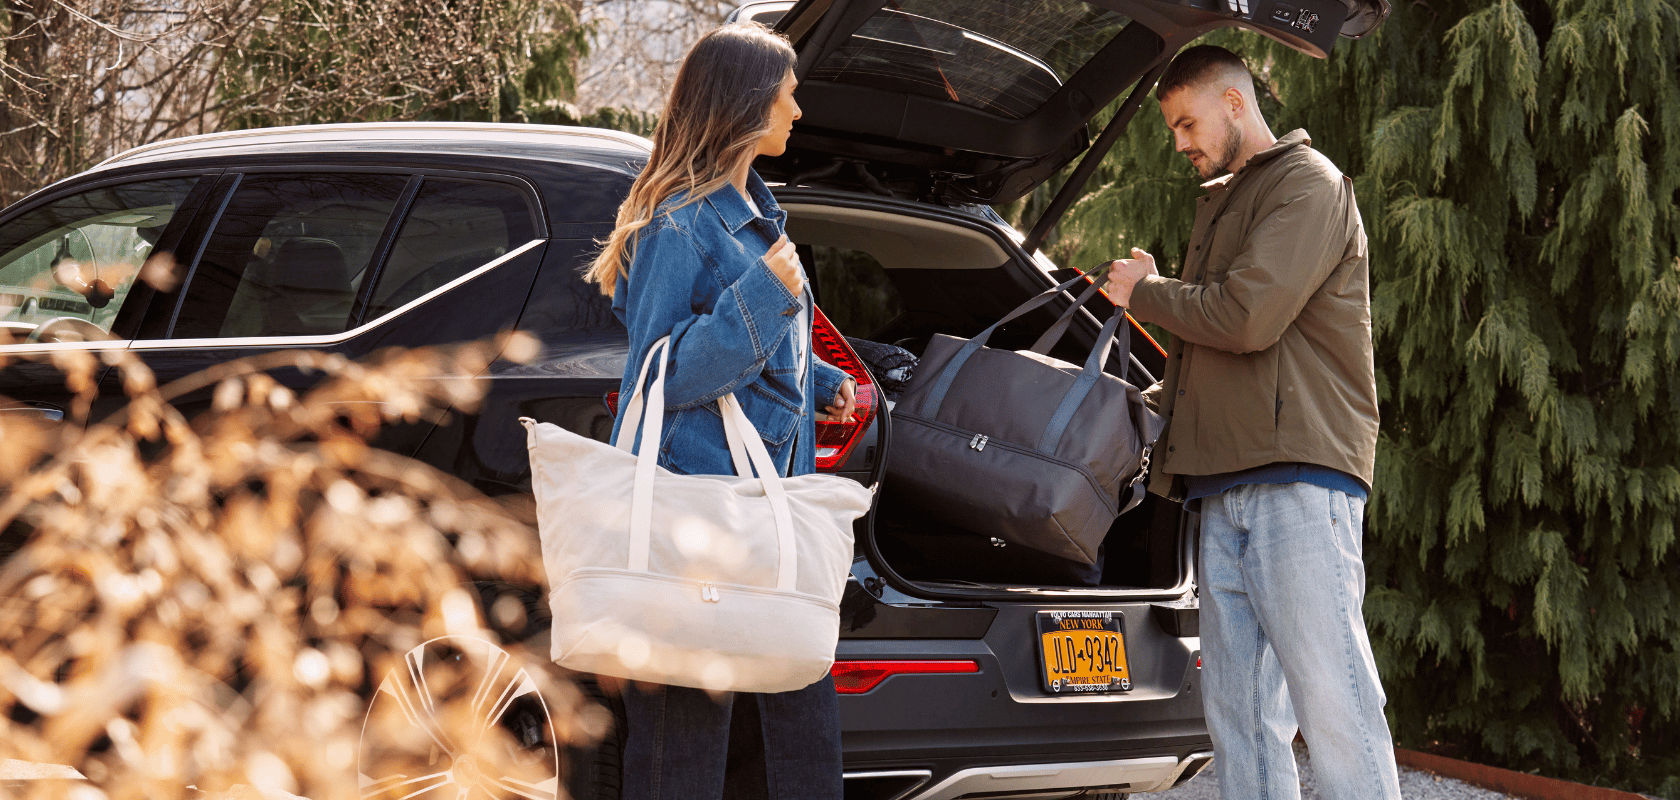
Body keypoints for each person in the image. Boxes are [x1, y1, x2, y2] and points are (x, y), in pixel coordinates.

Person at [1103, 45, 1401, 799]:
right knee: (1240, 724)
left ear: (1235, 103)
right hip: (1222, 487)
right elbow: (1208, 360)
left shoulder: (1310, 185)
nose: (1179, 142)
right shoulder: (1228, 199)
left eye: (1186, 122)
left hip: (1298, 483)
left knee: (1335, 709)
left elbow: (1245, 317)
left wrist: (1147, 292)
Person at [581, 21, 857, 800]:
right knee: (684, 745)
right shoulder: (680, 220)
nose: (798, 112)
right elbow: (663, 373)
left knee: (800, 734)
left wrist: (814, 384)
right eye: (788, 94)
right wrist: (766, 294)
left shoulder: (756, 213)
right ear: (746, 101)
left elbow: (750, 360)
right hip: (698, 522)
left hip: (770, 516)